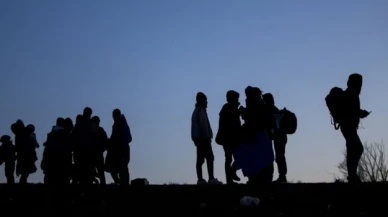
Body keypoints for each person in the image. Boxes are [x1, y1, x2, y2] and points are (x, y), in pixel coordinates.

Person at [341, 73, 370, 183]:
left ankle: (352, 176)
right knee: (358, 148)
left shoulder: (350, 93)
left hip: (347, 126)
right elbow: (351, 110)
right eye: (359, 82)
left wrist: (360, 113)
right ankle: (352, 175)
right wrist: (361, 113)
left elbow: (352, 110)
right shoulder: (352, 94)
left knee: (352, 149)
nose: (361, 85)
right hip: (348, 126)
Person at [191, 92, 222, 185]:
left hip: (199, 138)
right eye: (205, 100)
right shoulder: (200, 111)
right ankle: (210, 178)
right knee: (209, 157)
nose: (207, 103)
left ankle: (200, 179)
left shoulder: (196, 111)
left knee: (200, 159)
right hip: (203, 138)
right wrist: (207, 136)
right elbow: (203, 125)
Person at [215, 90, 241, 184]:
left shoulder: (228, 108)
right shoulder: (228, 108)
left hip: (230, 138)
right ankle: (230, 178)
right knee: (231, 158)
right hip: (229, 138)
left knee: (233, 158)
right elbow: (233, 124)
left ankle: (230, 176)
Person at [263, 93, 288, 183]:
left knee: (279, 156)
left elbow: (274, 125)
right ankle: (282, 176)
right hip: (279, 137)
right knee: (280, 156)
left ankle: (282, 176)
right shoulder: (273, 109)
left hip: (279, 137)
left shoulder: (271, 110)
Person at [105, 109, 132, 185]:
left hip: (121, 151)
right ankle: (121, 183)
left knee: (121, 169)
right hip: (120, 151)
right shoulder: (119, 124)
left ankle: (123, 184)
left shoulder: (121, 124)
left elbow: (128, 138)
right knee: (118, 169)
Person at [41, 118, 71, 185]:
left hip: (50, 160)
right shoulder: (65, 134)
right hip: (60, 160)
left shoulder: (51, 134)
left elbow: (47, 149)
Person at [91, 116, 108, 185]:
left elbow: (105, 142)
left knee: (99, 173)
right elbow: (106, 142)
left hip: (94, 154)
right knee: (100, 173)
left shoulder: (92, 130)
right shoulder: (100, 130)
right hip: (96, 154)